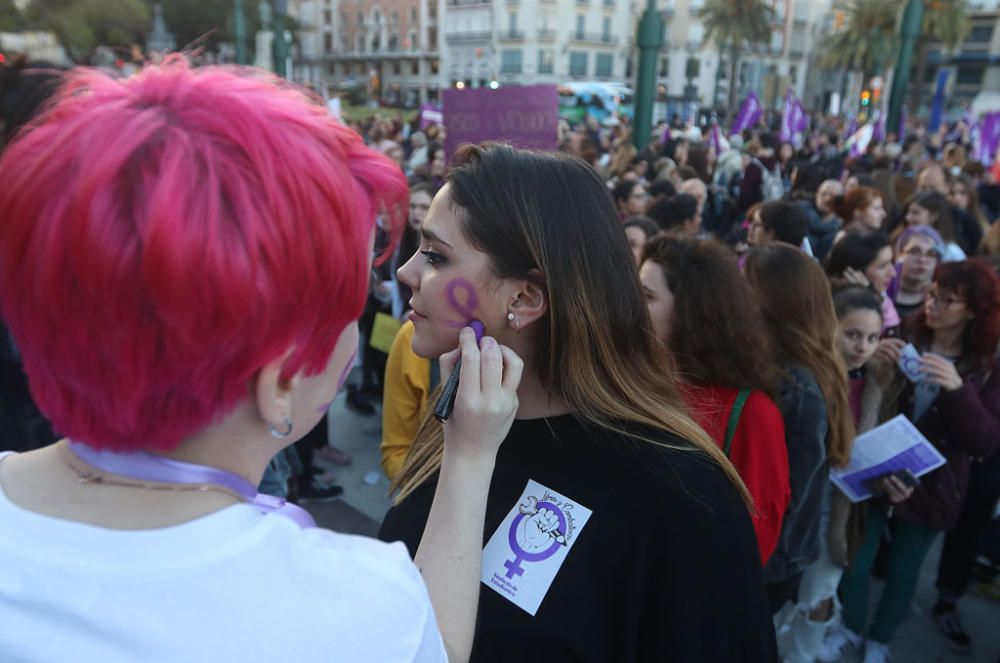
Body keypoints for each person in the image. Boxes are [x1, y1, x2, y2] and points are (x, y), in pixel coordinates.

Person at [0, 60, 520, 661]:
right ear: (281, 379)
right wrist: (470, 455)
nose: (402, 281)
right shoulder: (352, 607)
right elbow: (438, 646)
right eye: (349, 307)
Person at [380, 143, 776, 661]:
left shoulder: (682, 493)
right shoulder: (462, 419)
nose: (407, 272)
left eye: (434, 256)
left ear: (524, 299)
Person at [833, 260, 1000, 663]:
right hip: (878, 467)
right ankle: (850, 628)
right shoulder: (906, 331)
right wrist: (877, 358)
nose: (933, 305)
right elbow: (861, 388)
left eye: (948, 300)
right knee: (857, 556)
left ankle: (881, 638)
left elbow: (985, 440)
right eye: (932, 294)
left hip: (937, 483)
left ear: (974, 310)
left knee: (905, 568)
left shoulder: (987, 363)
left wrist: (958, 389)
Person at [782, 287, 914, 663]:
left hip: (840, 508)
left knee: (821, 592)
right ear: (830, 326)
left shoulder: (878, 382)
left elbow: (879, 450)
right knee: (776, 591)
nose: (863, 346)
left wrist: (888, 479)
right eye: (853, 334)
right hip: (797, 499)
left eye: (873, 337)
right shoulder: (803, 378)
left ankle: (803, 656)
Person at [639, 236, 790, 564]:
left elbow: (758, 535)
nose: (630, 304)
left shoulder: (752, 412)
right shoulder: (630, 379)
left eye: (647, 296)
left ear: (691, 311)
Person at [744, 245, 856, 615]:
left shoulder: (796, 384)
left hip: (769, 559)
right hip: (771, 553)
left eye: (744, 284)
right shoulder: (796, 367)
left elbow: (790, 493)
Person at [826, 233, 901, 334]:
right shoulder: (825, 302)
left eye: (892, 262)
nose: (893, 273)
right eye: (883, 266)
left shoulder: (881, 298)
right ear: (853, 272)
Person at [916, 161, 983, 256]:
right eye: (923, 188)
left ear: (947, 188)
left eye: (933, 188)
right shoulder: (908, 216)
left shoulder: (964, 220)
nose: (927, 193)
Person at [889, 226, 944, 320]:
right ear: (899, 255)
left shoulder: (942, 301)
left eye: (931, 254)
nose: (922, 260)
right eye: (914, 251)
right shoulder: (882, 293)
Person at [900, 191, 966, 262]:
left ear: (934, 215)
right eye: (908, 212)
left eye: (915, 212)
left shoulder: (951, 253)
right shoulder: (903, 243)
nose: (907, 217)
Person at [804, 179, 845, 262]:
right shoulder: (800, 212)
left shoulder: (841, 228)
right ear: (817, 194)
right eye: (823, 194)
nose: (827, 199)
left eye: (833, 196)